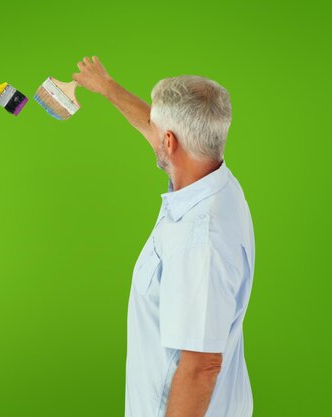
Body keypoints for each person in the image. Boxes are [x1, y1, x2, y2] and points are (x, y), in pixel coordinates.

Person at [73, 57, 255, 417]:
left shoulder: (199, 238)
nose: (150, 130)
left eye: (157, 130)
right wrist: (108, 88)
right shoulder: (210, 179)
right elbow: (155, 129)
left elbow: (201, 365)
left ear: (169, 142)